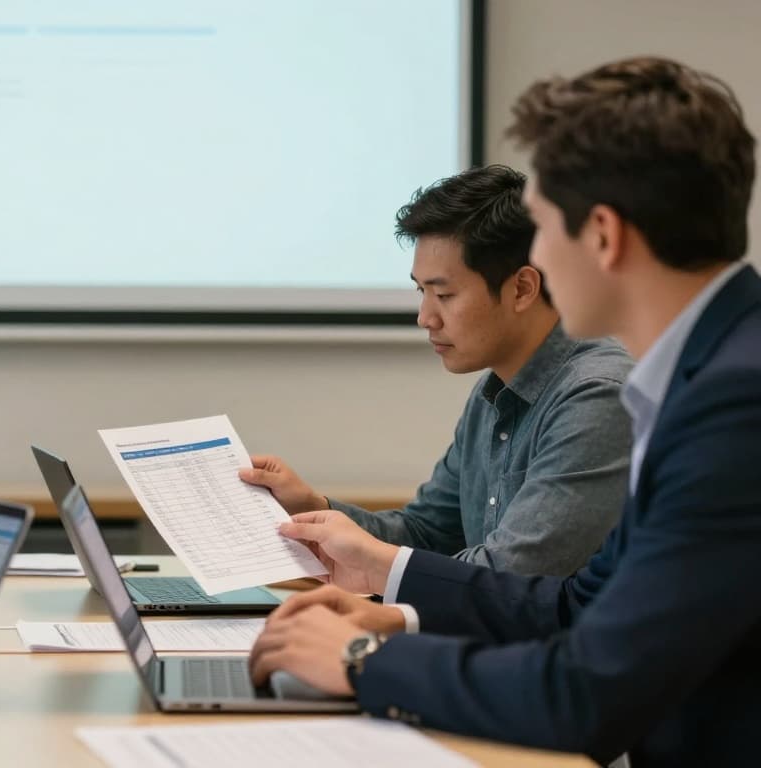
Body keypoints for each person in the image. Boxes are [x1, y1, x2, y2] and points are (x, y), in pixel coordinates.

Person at [248, 56, 761, 768]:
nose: (539, 258)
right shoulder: (708, 375)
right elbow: (576, 606)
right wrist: (395, 615)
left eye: (544, 227)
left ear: (604, 236)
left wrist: (366, 659)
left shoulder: (735, 405)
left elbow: (586, 691)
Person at [242, 165, 633, 577]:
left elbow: (511, 574)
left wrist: (379, 578)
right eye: (421, 291)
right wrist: (311, 507)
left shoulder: (597, 396)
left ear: (521, 289)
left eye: (444, 294)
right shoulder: (495, 390)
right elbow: (425, 534)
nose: (425, 317)